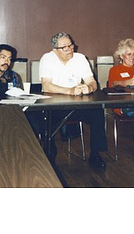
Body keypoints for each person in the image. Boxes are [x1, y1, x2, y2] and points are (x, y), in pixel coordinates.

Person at [39, 32, 108, 169]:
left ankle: (95, 154)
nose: (70, 49)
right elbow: (46, 85)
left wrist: (89, 88)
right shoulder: (47, 58)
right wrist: (69, 91)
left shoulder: (80, 58)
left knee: (97, 111)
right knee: (44, 120)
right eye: (65, 47)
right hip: (53, 104)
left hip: (76, 103)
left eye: (71, 45)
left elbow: (93, 82)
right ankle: (50, 157)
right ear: (55, 50)